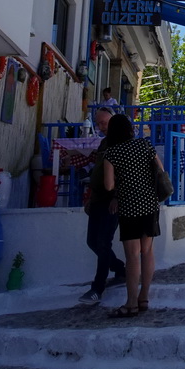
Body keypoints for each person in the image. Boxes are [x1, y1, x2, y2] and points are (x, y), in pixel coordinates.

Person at [103, 113, 164, 317]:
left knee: (132, 256)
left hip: (129, 207)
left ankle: (131, 303)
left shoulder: (112, 153)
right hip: (149, 204)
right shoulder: (144, 145)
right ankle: (143, 297)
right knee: (147, 252)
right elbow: (160, 170)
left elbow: (108, 185)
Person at [78, 107, 125, 304]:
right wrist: (90, 197)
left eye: (103, 123)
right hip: (98, 199)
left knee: (103, 242)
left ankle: (97, 288)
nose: (100, 127)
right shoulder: (104, 143)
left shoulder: (121, 143)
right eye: (98, 123)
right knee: (92, 241)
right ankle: (120, 269)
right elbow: (98, 171)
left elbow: (124, 174)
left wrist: (117, 197)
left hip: (111, 201)